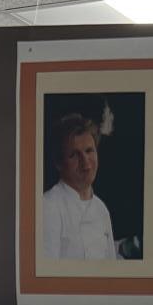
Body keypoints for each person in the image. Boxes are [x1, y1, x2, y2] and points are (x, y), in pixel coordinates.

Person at [42, 112, 117, 261]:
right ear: (59, 163)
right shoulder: (48, 206)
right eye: (74, 155)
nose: (86, 162)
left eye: (89, 151)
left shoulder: (101, 209)